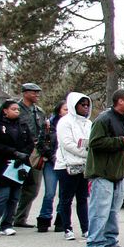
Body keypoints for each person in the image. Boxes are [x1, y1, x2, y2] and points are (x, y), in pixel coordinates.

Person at [85, 89, 124, 247]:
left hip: (118, 173)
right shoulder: (103, 119)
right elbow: (95, 142)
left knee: (113, 211)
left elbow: (123, 147)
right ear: (120, 101)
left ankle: (110, 241)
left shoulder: (123, 120)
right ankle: (94, 244)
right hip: (102, 173)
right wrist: (120, 141)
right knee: (100, 211)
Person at [0, 100, 34, 237]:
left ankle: (7, 224)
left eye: (18, 109)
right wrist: (14, 152)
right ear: (5, 110)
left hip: (19, 164)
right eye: (13, 109)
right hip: (3, 164)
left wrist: (24, 154)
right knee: (3, 196)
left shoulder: (22, 125)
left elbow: (30, 142)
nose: (16, 111)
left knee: (14, 196)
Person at [12, 82, 51, 230]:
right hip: (19, 151)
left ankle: (20, 217)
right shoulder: (15, 108)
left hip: (36, 153)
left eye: (38, 92)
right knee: (14, 187)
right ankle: (7, 217)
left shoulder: (39, 111)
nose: (37, 95)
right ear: (25, 93)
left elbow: (44, 132)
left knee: (33, 188)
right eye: (33, 92)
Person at [55, 93, 92, 240]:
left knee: (83, 198)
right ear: (74, 106)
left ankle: (85, 228)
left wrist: (88, 154)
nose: (85, 107)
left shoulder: (88, 123)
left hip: (83, 165)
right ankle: (67, 228)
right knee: (66, 198)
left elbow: (91, 141)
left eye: (87, 105)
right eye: (82, 105)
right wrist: (85, 153)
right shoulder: (65, 122)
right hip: (66, 165)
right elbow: (67, 143)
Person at [42, 100, 67, 233]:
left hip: (65, 163)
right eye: (65, 109)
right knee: (49, 193)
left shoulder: (72, 125)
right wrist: (52, 157)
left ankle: (60, 221)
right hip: (51, 163)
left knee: (63, 194)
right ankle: (44, 219)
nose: (67, 112)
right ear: (59, 111)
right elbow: (42, 143)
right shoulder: (49, 125)